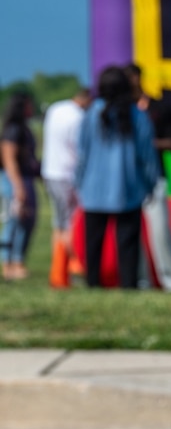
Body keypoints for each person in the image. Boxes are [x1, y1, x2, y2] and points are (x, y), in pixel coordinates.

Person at [74, 65, 159, 289]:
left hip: (92, 189)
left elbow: (81, 153)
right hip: (129, 188)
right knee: (128, 243)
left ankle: (92, 282)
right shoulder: (137, 116)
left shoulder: (90, 114)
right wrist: (150, 184)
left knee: (93, 243)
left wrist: (79, 183)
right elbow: (147, 156)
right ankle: (128, 284)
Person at [127, 64, 171, 291]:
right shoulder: (121, 111)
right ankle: (140, 280)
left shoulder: (159, 108)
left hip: (155, 175)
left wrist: (146, 145)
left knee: (160, 230)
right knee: (132, 232)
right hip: (128, 178)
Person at [39, 82, 87, 286]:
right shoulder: (78, 117)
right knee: (70, 224)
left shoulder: (55, 108)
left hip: (50, 172)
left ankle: (57, 272)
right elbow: (79, 150)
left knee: (58, 224)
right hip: (67, 175)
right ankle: (74, 266)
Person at [0, 94, 40, 281]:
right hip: (13, 180)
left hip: (25, 179)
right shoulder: (13, 130)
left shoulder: (23, 129)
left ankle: (18, 260)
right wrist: (17, 186)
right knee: (14, 221)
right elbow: (9, 160)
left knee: (26, 222)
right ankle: (8, 263)